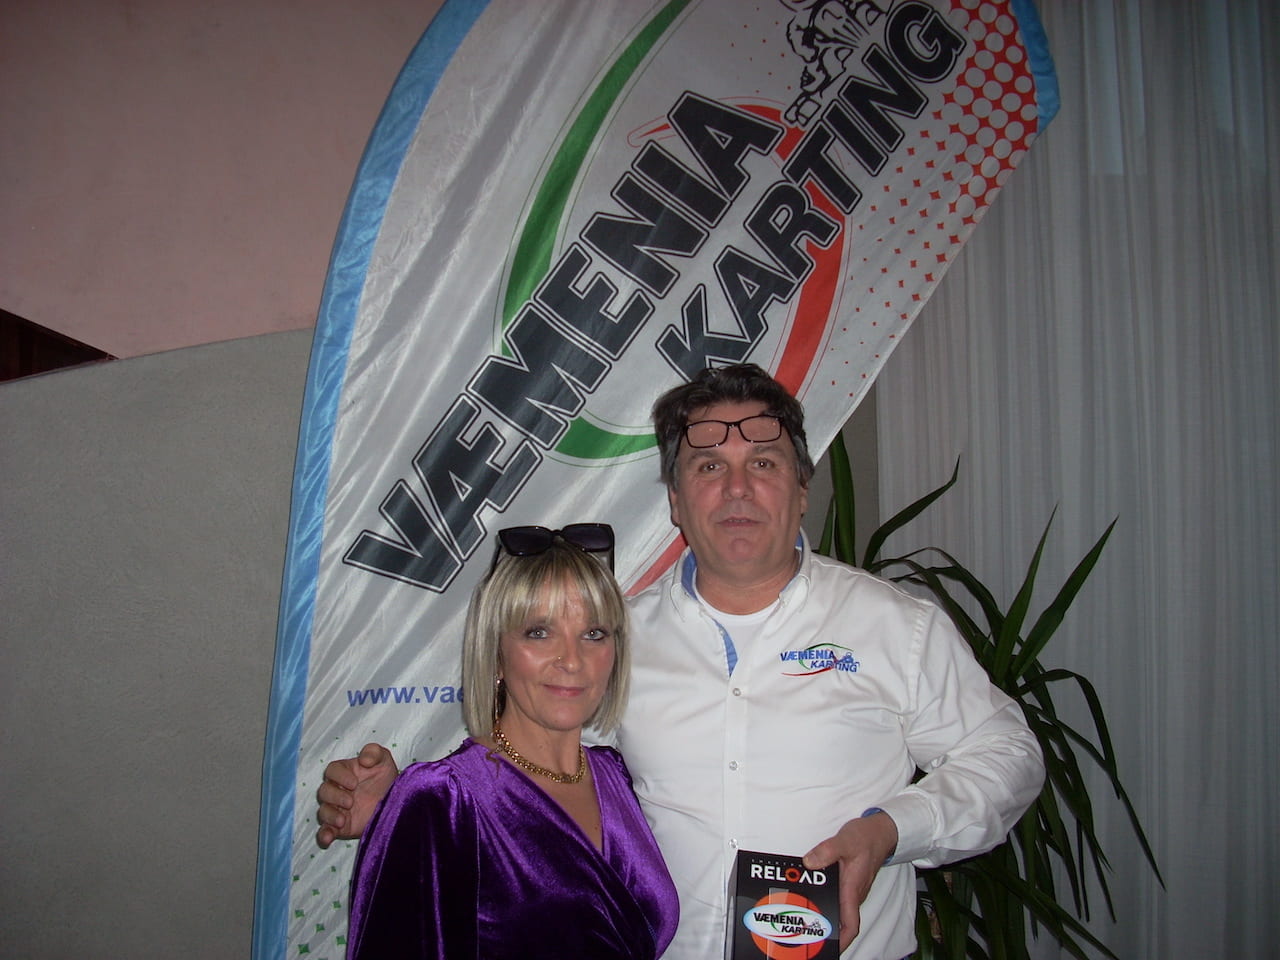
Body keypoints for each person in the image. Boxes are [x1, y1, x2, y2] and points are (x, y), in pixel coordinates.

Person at [320, 364, 1044, 960]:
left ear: (801, 491)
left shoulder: (896, 626)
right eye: (708, 466)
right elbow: (537, 758)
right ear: (675, 499)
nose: (737, 488)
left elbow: (1008, 755)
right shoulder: (613, 637)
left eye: (763, 464)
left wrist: (890, 829)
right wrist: (412, 806)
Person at [343, 523, 678, 960]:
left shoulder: (614, 774)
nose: (572, 660)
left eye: (594, 633)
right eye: (539, 632)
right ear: (497, 653)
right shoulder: (441, 800)